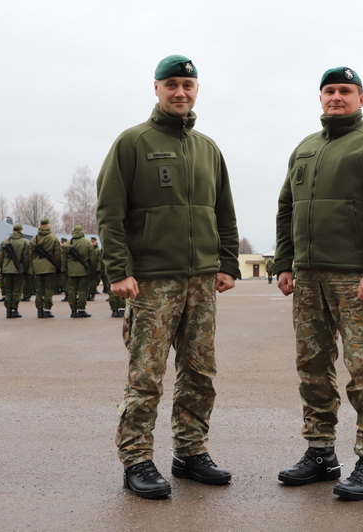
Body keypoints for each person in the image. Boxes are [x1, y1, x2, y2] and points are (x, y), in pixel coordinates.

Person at [96, 54, 241, 499]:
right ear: (156, 88)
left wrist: (227, 262)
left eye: (188, 85)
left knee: (200, 373)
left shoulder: (208, 148)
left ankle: (191, 452)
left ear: (196, 90)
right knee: (146, 375)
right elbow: (110, 212)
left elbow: (223, 211)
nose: (180, 92)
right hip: (152, 281)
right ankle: (137, 459)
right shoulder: (133, 142)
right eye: (172, 84)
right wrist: (119, 271)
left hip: (201, 281)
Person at [273, 67, 363, 501]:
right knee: (312, 368)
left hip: (355, 278)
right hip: (308, 277)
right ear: (320, 98)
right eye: (329, 91)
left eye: (345, 91)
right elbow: (286, 208)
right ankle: (320, 453)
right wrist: (284, 263)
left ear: (361, 99)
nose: (336, 97)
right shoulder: (305, 148)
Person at [29, 218, 60, 318]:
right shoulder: (53, 238)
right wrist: (58, 265)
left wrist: (34, 264)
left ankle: (39, 309)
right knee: (48, 289)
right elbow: (57, 254)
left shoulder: (34, 239)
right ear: (48, 225)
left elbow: (30, 255)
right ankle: (47, 309)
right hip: (49, 267)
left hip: (37, 267)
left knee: (39, 289)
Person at [0, 223, 30, 318]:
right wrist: (26, 269)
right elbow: (26, 258)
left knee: (8, 291)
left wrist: (0, 269)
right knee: (17, 290)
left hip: (6, 270)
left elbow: (0, 258)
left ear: (13, 231)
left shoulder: (4, 242)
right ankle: (14, 309)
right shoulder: (24, 242)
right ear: (21, 231)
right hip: (18, 270)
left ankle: (8, 310)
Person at [65, 225, 96, 318]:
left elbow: (64, 258)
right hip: (84, 270)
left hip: (71, 271)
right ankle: (81, 310)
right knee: (83, 290)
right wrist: (93, 269)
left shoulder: (68, 243)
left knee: (72, 290)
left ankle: (73, 310)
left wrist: (65, 269)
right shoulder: (87, 242)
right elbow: (93, 258)